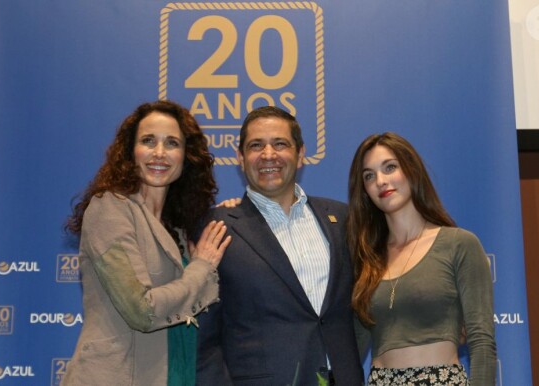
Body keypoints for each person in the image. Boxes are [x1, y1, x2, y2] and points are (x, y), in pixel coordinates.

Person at [62, 100, 231, 386]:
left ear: (186, 156)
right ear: (130, 151)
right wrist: (200, 267)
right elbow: (143, 310)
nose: (160, 153)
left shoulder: (175, 228)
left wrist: (235, 213)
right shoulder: (110, 208)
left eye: (172, 143)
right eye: (148, 141)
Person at [196, 106, 364, 386]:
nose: (268, 155)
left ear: (300, 155)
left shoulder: (343, 219)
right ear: (240, 157)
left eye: (280, 144)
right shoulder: (216, 228)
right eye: (256, 146)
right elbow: (203, 333)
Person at [347, 132, 496, 385]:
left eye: (390, 167)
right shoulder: (367, 258)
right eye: (369, 176)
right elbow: (350, 351)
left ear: (411, 170)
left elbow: (482, 341)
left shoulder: (459, 244)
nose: (380, 181)